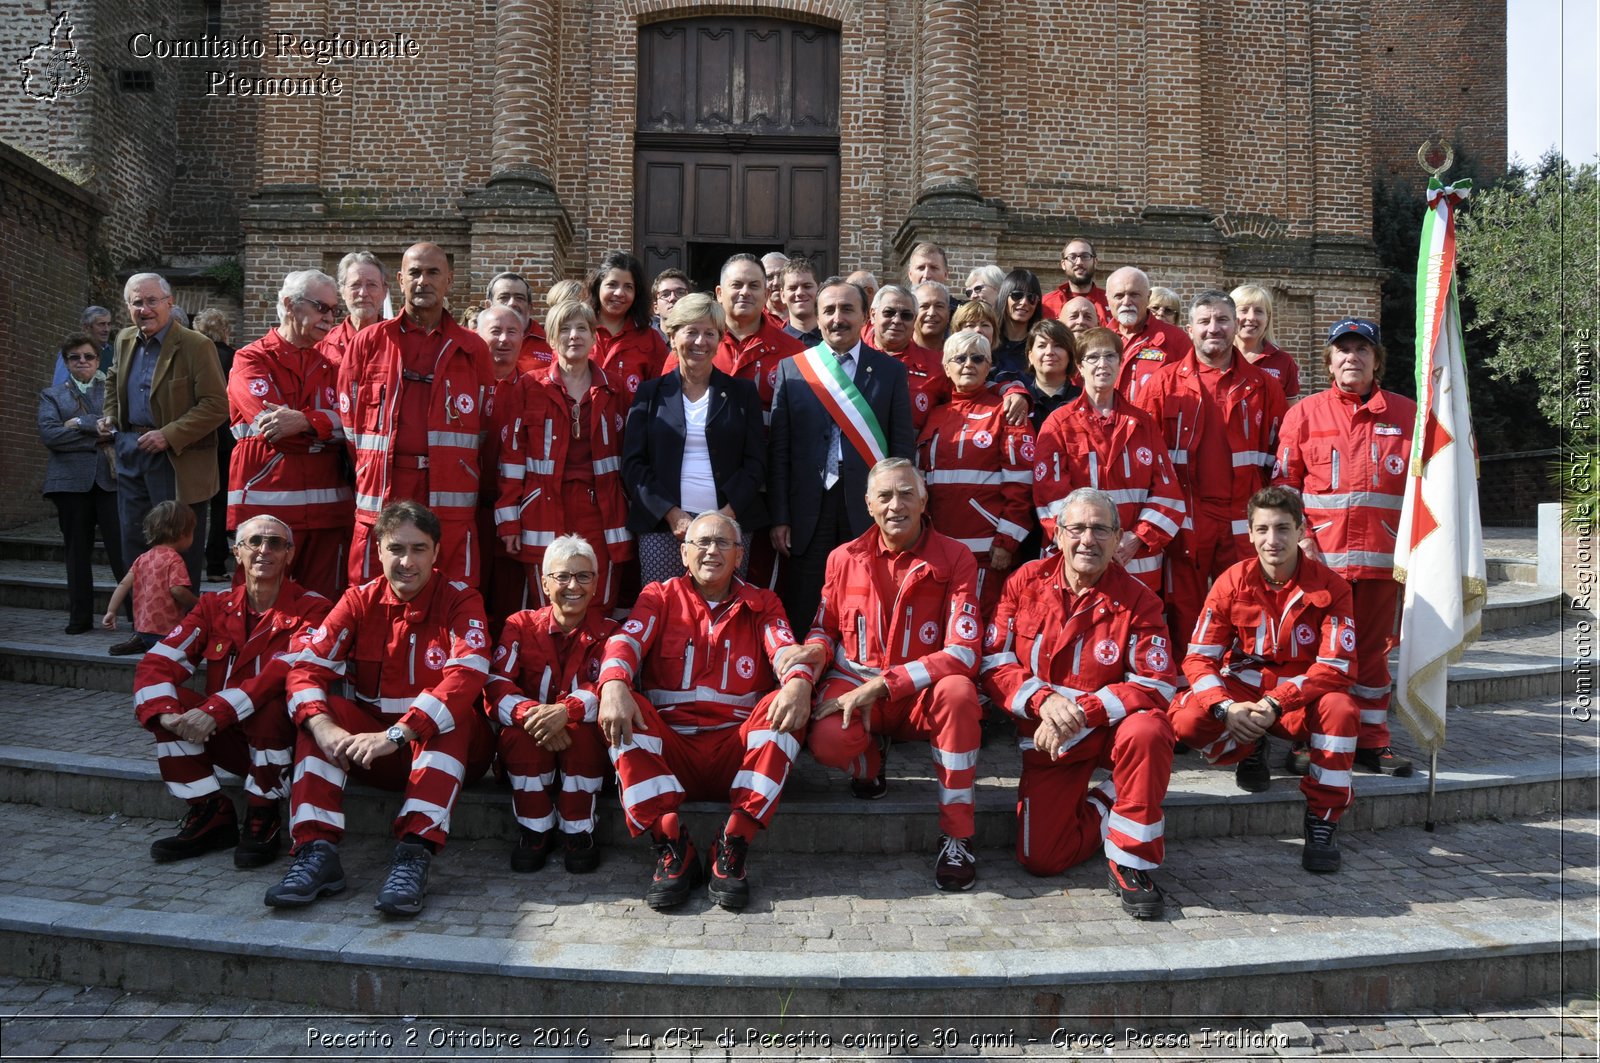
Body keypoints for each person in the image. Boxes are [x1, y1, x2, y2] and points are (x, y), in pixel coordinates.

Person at [270, 501, 495, 915]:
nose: (407, 562)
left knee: (453, 714)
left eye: (419, 549)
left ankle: (414, 854)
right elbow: (305, 670)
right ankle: (315, 852)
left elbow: (466, 676)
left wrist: (399, 733)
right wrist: (324, 728)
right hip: (378, 753)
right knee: (320, 712)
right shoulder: (357, 601)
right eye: (396, 549)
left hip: (444, 748)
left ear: (437, 552)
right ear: (378, 552)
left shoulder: (462, 600)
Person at [597, 511, 814, 911]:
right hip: (672, 753)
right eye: (702, 543)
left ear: (739, 556)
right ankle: (673, 845)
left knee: (783, 704)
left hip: (735, 753)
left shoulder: (762, 602)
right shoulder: (658, 596)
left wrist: (799, 679)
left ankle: (732, 844)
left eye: (723, 544)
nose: (712, 551)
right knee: (626, 705)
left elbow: (785, 649)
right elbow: (624, 642)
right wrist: (612, 683)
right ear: (683, 553)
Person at [981, 488, 1178, 918]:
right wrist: (1043, 701)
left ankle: (1132, 863)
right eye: (1078, 528)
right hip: (1047, 737)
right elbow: (993, 659)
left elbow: (1157, 682)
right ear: (1057, 533)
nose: (1088, 539)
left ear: (1117, 537)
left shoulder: (1140, 599)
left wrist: (1081, 713)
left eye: (1100, 529)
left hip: (1105, 732)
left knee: (1150, 730)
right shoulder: (1025, 581)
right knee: (1042, 859)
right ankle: (1112, 800)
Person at [795, 459, 984, 891]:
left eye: (905, 494)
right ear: (868, 504)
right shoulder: (842, 557)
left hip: (921, 693)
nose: (894, 504)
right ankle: (869, 763)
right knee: (825, 738)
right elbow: (825, 628)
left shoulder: (956, 557)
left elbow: (964, 651)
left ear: (923, 499)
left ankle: (957, 834)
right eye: (884, 495)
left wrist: (886, 684)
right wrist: (812, 653)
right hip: (856, 681)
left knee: (959, 693)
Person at [1166, 487, 1359, 873]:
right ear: (1250, 534)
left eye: (1284, 528)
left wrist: (1276, 702)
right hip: (1244, 688)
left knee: (1341, 709)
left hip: (1300, 696)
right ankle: (1248, 745)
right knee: (1184, 718)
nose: (1274, 540)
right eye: (1264, 529)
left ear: (1301, 530)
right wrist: (1225, 707)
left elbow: (1335, 666)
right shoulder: (1230, 581)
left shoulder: (1332, 586)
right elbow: (1199, 657)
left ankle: (1323, 819)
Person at [131, 515, 331, 867]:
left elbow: (282, 673)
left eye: (275, 543)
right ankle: (211, 812)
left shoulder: (314, 608)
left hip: (286, 745)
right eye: (254, 542)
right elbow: (157, 662)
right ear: (237, 552)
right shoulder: (213, 606)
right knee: (164, 703)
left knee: (270, 707)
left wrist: (215, 711)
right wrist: (167, 715)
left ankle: (262, 814)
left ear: (290, 554)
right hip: (230, 738)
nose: (264, 550)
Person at [1273, 317, 1417, 777]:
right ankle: (1307, 737)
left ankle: (1373, 742)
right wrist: (1303, 544)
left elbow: (1426, 490)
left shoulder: (1408, 415)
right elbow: (1285, 487)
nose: (1351, 357)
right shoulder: (1304, 414)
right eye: (1342, 350)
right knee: (1314, 653)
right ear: (1329, 360)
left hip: (1381, 561)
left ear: (1377, 361)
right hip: (1321, 563)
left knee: (1372, 653)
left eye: (1361, 349)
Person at [339, 242, 495, 588]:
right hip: (383, 489)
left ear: (449, 281)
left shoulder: (472, 349)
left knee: (452, 590)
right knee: (373, 591)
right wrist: (372, 463)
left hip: (450, 491)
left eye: (433, 272)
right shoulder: (368, 343)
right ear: (400, 280)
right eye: (414, 273)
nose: (423, 281)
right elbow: (351, 429)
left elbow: (485, 426)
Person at [1136, 290, 1286, 653]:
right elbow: (1145, 460)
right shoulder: (1163, 383)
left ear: (1235, 326)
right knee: (1182, 610)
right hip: (1185, 517)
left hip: (1242, 518)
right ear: (1189, 329)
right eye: (1204, 321)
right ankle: (1189, 692)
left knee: (1246, 605)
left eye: (1222, 320)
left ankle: (1241, 685)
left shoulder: (1263, 385)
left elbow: (1279, 456)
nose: (1213, 328)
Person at [768, 277, 914, 631]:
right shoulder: (794, 369)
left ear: (865, 317)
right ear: (817, 318)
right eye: (829, 310)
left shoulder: (890, 371)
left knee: (864, 595)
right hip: (807, 508)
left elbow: (901, 448)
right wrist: (780, 516)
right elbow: (780, 451)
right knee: (805, 599)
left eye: (847, 309)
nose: (838, 318)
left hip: (866, 507)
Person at [484, 534, 616, 873]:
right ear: (544, 583)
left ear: (596, 583)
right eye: (562, 576)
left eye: (583, 576)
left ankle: (578, 830)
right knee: (517, 735)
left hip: (581, 745)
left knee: (586, 733)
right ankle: (534, 828)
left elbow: (613, 684)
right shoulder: (520, 624)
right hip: (531, 741)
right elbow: (496, 683)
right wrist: (532, 716)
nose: (573, 585)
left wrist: (566, 712)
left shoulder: (611, 631)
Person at [497, 300, 632, 612]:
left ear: (594, 336)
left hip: (602, 510)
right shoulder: (529, 386)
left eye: (582, 328)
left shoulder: (616, 388)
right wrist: (508, 522)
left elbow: (631, 454)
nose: (574, 335)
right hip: (543, 507)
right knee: (548, 600)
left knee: (598, 597)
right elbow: (511, 458)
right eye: (565, 329)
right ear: (552, 339)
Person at [227, 270, 353, 600]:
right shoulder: (251, 358)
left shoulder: (332, 365)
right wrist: (324, 428)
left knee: (321, 606)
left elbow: (353, 423)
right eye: (321, 307)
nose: (329, 318)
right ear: (289, 305)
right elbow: (273, 428)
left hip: (327, 512)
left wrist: (305, 422)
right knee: (258, 603)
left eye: (334, 310)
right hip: (267, 508)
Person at [624, 293, 766, 584]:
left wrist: (727, 516)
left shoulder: (743, 393)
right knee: (665, 609)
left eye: (709, 333)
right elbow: (633, 464)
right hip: (663, 528)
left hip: (729, 526)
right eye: (691, 332)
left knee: (724, 611)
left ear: (720, 340)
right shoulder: (650, 394)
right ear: (673, 336)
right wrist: (672, 514)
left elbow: (756, 462)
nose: (700, 342)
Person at [102, 272, 228, 595]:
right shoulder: (124, 339)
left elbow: (216, 405)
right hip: (131, 449)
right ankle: (142, 625)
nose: (144, 309)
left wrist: (169, 435)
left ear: (170, 304)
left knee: (177, 548)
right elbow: (112, 381)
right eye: (136, 302)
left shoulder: (196, 345)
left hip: (177, 458)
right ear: (127, 307)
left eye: (152, 301)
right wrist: (111, 419)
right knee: (133, 542)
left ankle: (179, 633)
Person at [1034, 327, 1183, 594]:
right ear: (1079, 367)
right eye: (1093, 357)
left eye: (1110, 356)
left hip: (1136, 560)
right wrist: (1089, 541)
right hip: (1080, 558)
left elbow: (1167, 493)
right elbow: (1049, 497)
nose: (1102, 364)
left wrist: (1138, 537)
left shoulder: (1143, 423)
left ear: (1120, 362)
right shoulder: (1059, 424)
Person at [915, 333, 1035, 616]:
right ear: (946, 367)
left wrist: (1007, 541)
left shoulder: (1005, 413)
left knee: (978, 628)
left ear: (988, 366)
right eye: (959, 358)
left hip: (987, 553)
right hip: (937, 548)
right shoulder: (934, 414)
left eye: (977, 358)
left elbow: (1022, 484)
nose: (968, 364)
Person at [38, 332, 125, 634]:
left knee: (121, 551)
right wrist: (96, 430)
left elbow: (117, 428)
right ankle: (80, 618)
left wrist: (77, 423)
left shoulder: (111, 389)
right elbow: (51, 436)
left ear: (97, 360)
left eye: (88, 356)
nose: (82, 361)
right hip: (69, 484)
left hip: (109, 482)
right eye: (75, 357)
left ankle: (136, 616)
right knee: (76, 553)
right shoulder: (52, 395)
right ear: (66, 362)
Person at [474, 304, 532, 627]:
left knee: (511, 607)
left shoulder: (533, 389)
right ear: (478, 335)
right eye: (495, 331)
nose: (503, 339)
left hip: (515, 515)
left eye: (512, 332)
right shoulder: (461, 382)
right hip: (467, 514)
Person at [709, 253, 804, 417]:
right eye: (736, 285)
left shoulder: (795, 353)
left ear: (766, 294)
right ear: (719, 293)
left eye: (754, 286)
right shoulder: (694, 346)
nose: (745, 292)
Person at [102, 500, 198, 656]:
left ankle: (138, 641)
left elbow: (123, 585)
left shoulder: (143, 558)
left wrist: (111, 611)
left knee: (144, 637)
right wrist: (197, 603)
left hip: (142, 627)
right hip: (167, 630)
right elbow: (178, 590)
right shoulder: (174, 559)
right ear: (183, 534)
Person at [192, 309, 238, 582]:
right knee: (221, 504)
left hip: (197, 438)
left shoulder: (195, 358)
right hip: (227, 438)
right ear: (224, 330)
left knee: (194, 501)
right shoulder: (234, 358)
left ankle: (188, 562)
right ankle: (216, 565)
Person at [1105, 266, 1195, 404]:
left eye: (1134, 294)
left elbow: (1193, 391)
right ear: (1108, 299)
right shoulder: (1098, 339)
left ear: (1147, 298)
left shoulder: (1176, 339)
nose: (1127, 301)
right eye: (1119, 295)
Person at [590, 251, 668, 397]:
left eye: (628, 287)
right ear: (597, 287)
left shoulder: (651, 340)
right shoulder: (578, 330)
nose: (619, 293)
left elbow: (662, 394)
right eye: (612, 285)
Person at [869, 284, 946, 431]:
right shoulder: (852, 357)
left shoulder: (938, 365)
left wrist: (1003, 389)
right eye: (889, 312)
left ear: (914, 320)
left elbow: (966, 397)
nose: (897, 320)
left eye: (906, 315)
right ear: (873, 315)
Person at [1232, 284, 1301, 400]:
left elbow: (1290, 412)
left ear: (1267, 319)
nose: (1251, 317)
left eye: (1259, 311)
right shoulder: (1218, 357)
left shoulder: (1283, 361)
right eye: (1243, 310)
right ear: (1230, 315)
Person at [321, 251, 388, 370]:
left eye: (371, 285)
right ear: (342, 291)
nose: (363, 293)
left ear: (384, 292)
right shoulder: (323, 344)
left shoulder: (398, 342)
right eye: (355, 285)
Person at [1022, 318, 1080, 431]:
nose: (1049, 352)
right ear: (1030, 357)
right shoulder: (1021, 400)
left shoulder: (1083, 400)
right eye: (1042, 346)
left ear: (1070, 355)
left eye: (1058, 345)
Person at [1041, 238, 1109, 322]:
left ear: (1095, 262)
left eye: (1085, 256)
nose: (1079, 262)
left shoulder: (1110, 302)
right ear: (1063, 264)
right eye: (1072, 257)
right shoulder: (1045, 304)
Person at [991, 270, 1043, 378]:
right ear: (1004, 297)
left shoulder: (1040, 345)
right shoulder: (989, 340)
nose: (1024, 302)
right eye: (1017, 295)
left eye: (1031, 298)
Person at [51, 306, 114, 386]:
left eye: (109, 324)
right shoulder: (71, 351)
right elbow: (60, 386)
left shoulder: (115, 354)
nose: (106, 329)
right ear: (86, 327)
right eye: (101, 324)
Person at [781, 259, 822, 347]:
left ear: (820, 290)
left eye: (807, 286)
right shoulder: (774, 344)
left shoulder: (836, 342)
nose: (800, 293)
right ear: (783, 295)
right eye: (792, 288)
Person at [912, 280, 953, 353]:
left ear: (948, 313)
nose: (931, 313)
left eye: (939, 306)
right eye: (924, 306)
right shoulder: (894, 356)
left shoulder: (957, 357)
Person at [649, 268, 692, 338]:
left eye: (680, 292)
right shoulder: (644, 341)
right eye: (665, 294)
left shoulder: (700, 341)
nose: (673, 298)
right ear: (656, 308)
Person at [760, 251, 790, 327]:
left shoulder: (805, 312)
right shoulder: (755, 316)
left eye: (781, 275)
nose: (776, 283)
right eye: (769, 277)